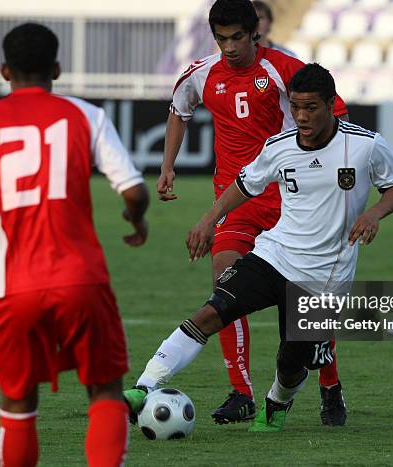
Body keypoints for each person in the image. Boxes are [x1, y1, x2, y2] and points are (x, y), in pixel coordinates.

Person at [124, 63, 393, 433]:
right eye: (295, 107)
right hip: (273, 256)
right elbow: (246, 184)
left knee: (292, 364)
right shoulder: (278, 147)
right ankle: (143, 385)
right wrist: (209, 219)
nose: (302, 117)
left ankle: (276, 403)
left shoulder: (364, 144)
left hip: (324, 277)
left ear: (330, 104)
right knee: (213, 310)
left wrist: (374, 214)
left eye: (311, 108)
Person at [0, 23, 149, 467]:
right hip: (81, 279)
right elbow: (134, 190)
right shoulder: (86, 115)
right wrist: (137, 219)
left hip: (12, 284)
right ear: (57, 67)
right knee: (106, 390)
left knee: (18, 401)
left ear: (4, 71)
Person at [153, 0, 349, 426]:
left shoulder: (283, 68)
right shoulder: (201, 74)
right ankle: (241, 392)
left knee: (307, 300)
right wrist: (168, 166)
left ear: (254, 33)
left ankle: (330, 386)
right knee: (224, 289)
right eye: (221, 39)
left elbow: (336, 113)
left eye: (236, 38)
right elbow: (178, 111)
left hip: (290, 199)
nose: (229, 47)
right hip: (234, 198)